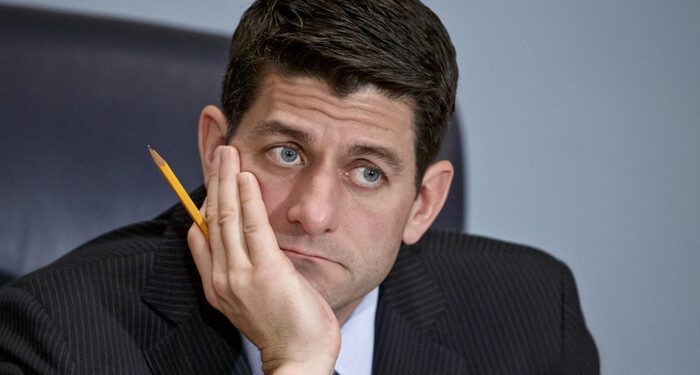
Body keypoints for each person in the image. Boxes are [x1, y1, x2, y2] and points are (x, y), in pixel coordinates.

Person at [0, 0, 599, 374]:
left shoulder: (536, 315)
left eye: (368, 172)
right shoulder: (56, 338)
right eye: (287, 153)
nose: (312, 213)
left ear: (423, 205)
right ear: (216, 152)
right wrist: (299, 362)